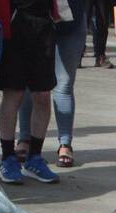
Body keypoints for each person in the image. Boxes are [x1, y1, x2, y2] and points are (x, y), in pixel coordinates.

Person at [0, 0, 61, 185]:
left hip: (43, 23)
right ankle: (7, 157)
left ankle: (35, 158)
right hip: (16, 21)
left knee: (42, 95)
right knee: (14, 93)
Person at [16, 0, 86, 167]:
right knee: (28, 84)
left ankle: (65, 143)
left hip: (71, 24)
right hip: (34, 21)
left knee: (64, 85)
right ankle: (24, 139)